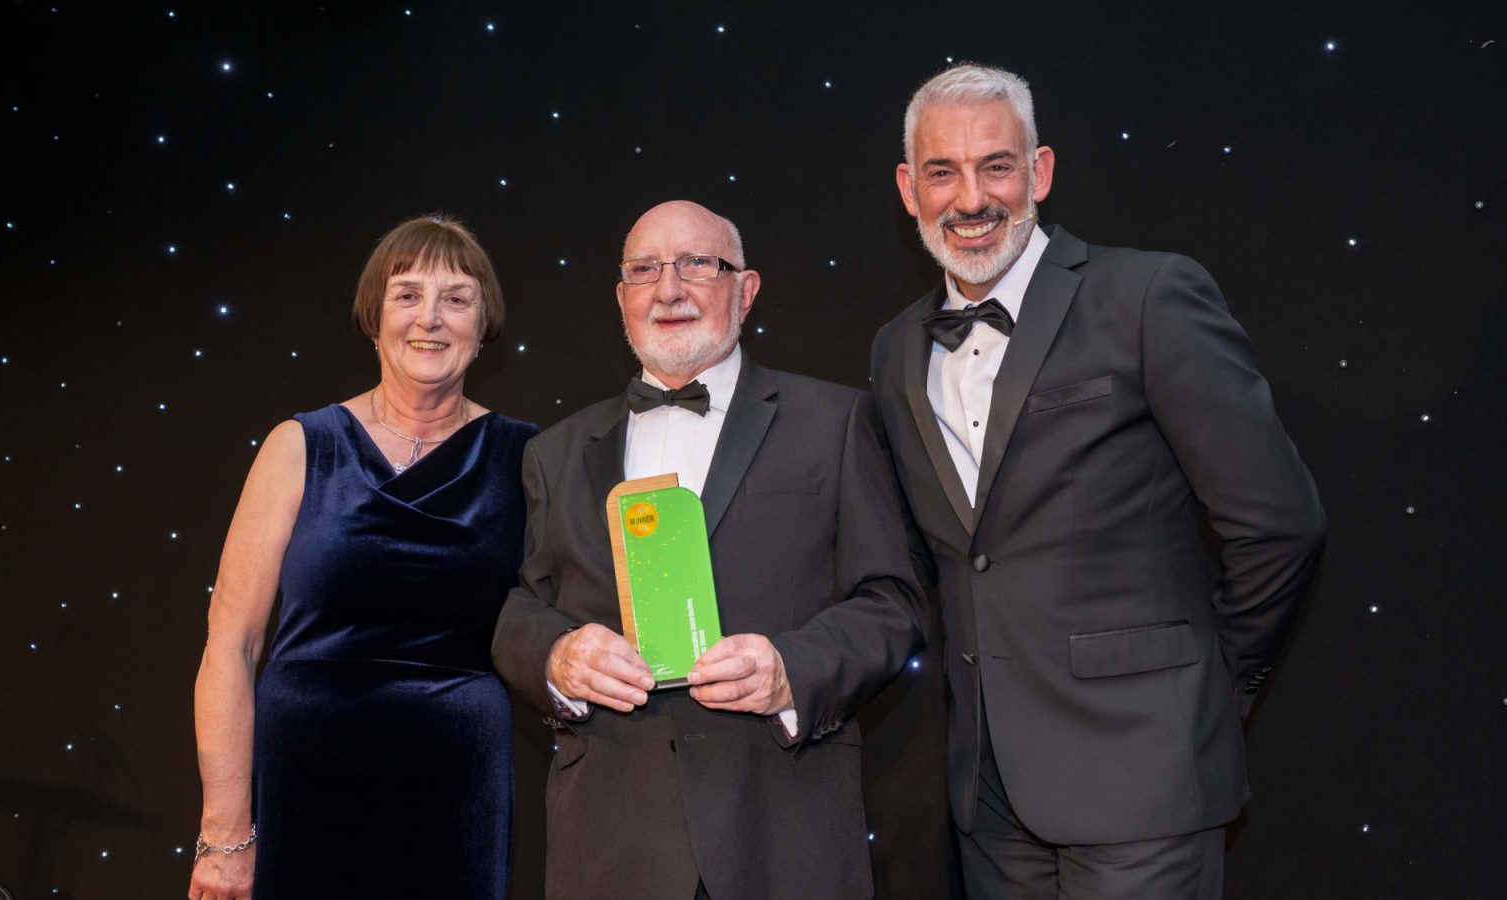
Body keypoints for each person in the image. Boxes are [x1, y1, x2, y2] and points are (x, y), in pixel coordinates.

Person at [870, 65, 1328, 899]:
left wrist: (1211, 688)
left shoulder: (1148, 294)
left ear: (1040, 172)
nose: (970, 198)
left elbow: (1278, 523)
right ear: (909, 188)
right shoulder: (895, 349)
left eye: (996, 166)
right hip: (989, 793)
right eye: (943, 171)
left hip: (1145, 771)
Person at [491, 200, 923, 900]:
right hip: (611, 844)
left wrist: (793, 669)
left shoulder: (837, 422)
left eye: (697, 263)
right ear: (622, 297)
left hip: (783, 832)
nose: (670, 288)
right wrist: (556, 657)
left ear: (745, 290)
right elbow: (521, 608)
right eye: (645, 270)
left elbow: (893, 602)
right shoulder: (555, 452)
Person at [188, 215, 537, 900]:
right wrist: (225, 832)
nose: (429, 319)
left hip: (455, 792)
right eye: (407, 294)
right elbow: (230, 646)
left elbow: (556, 621)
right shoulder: (299, 446)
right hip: (302, 788)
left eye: (456, 298)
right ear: (373, 316)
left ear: (484, 323)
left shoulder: (529, 458)